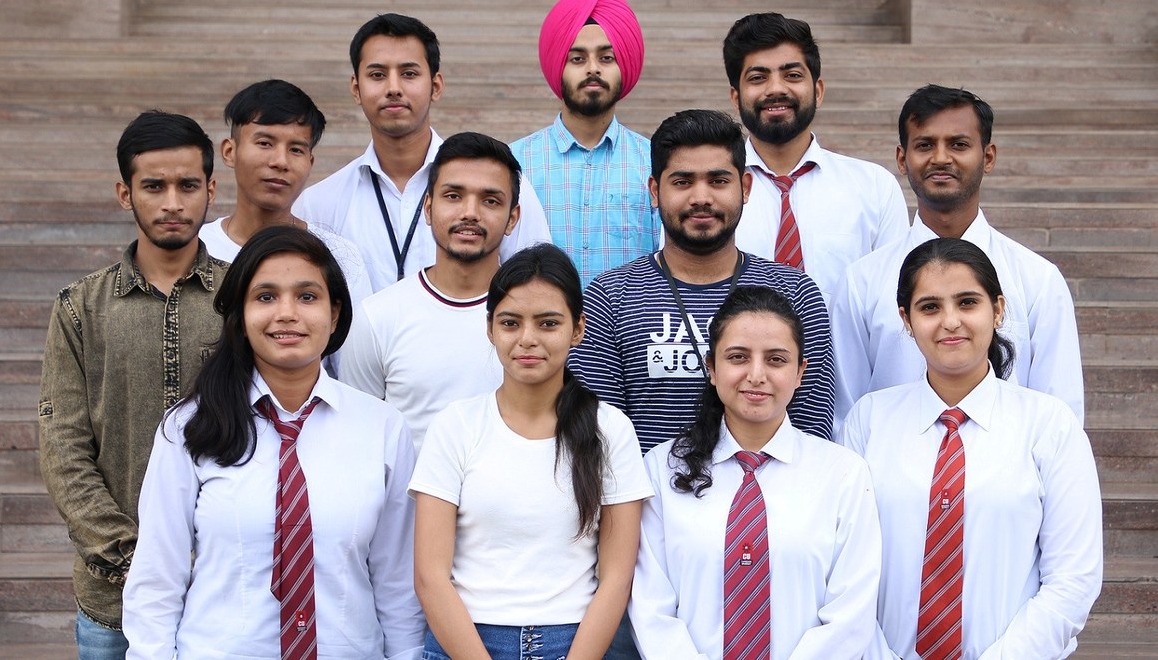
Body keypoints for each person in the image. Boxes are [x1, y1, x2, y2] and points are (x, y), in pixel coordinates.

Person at [123, 226, 425, 658]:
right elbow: (157, 578)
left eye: (307, 296)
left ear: (335, 313)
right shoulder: (189, 427)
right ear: (241, 318)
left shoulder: (382, 428)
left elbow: (397, 582)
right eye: (265, 297)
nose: (287, 313)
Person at [840, 238, 1102, 659]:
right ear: (905, 319)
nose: (950, 322)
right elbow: (845, 573)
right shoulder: (868, 421)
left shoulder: (1049, 426)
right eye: (929, 307)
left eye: (967, 303)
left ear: (997, 310)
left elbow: (1074, 578)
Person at [37, 111, 226, 659]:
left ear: (210, 189)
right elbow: (63, 445)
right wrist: (131, 556)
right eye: (154, 186)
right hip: (112, 600)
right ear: (125, 193)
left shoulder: (244, 300)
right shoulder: (80, 308)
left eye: (188, 185)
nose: (173, 202)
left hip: (223, 594)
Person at [410, 243, 651, 659]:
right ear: (490, 329)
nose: (527, 339)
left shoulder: (610, 429)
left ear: (577, 329)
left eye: (547, 323)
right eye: (510, 323)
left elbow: (616, 577)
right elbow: (430, 576)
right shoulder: (456, 425)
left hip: (576, 644)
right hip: (465, 642)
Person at [631, 286, 881, 659]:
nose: (756, 374)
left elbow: (850, 614)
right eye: (738, 357)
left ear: (800, 373)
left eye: (776, 360)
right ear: (712, 368)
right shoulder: (663, 469)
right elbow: (651, 608)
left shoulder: (843, 474)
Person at [570, 109, 834, 455]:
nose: (701, 198)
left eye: (718, 181)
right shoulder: (610, 297)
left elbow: (811, 430)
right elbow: (600, 437)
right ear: (654, 190)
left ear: (745, 187)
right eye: (682, 182)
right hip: (651, 506)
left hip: (766, 503)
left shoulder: (794, 293)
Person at [831, 85, 1084, 432]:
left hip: (1007, 480)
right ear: (902, 159)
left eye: (959, 144)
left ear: (988, 157)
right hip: (889, 480)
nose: (940, 158)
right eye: (925, 145)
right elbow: (845, 414)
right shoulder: (862, 281)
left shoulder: (1038, 280)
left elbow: (1062, 418)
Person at [295, 13, 551, 292]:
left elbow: (538, 288)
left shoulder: (501, 187)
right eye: (377, 75)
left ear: (436, 86)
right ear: (356, 89)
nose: (393, 88)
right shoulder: (318, 205)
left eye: (409, 74)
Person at [340, 132, 521, 451]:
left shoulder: (539, 322)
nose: (470, 213)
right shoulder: (377, 316)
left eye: (490, 200)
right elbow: (356, 440)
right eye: (453, 196)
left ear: (513, 218)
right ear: (427, 207)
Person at [722, 12, 908, 304]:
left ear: (818, 91)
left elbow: (894, 304)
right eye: (758, 78)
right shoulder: (709, 194)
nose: (776, 89)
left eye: (792, 75)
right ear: (736, 97)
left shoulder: (874, 188)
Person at [512, 0, 658, 286]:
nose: (593, 69)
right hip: (540, 329)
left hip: (630, 330)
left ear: (623, 67)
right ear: (558, 68)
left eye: (606, 58)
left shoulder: (655, 162)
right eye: (577, 59)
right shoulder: (514, 163)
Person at [199, 79, 372, 307]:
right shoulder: (196, 248)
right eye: (264, 143)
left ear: (310, 162)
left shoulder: (340, 256)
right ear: (230, 152)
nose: (280, 161)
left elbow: (356, 342)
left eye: (296, 149)